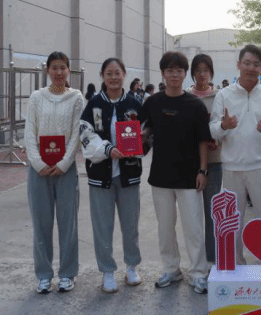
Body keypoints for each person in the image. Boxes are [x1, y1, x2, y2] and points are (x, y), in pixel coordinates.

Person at [140, 51, 210, 293]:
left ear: (185, 74)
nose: (174, 74)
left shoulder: (195, 105)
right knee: (165, 228)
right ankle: (171, 269)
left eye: (179, 70)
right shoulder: (152, 103)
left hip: (190, 177)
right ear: (162, 73)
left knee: (194, 228)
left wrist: (202, 170)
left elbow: (203, 141)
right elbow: (144, 128)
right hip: (160, 176)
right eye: (170, 70)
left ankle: (198, 272)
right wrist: (141, 135)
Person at [210, 45, 261, 264]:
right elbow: (213, 130)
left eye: (256, 64)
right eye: (247, 63)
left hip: (260, 167)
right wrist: (223, 125)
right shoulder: (224, 95)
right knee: (232, 222)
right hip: (232, 169)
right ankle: (235, 265)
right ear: (238, 65)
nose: (251, 68)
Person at [79, 58, 144, 293]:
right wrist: (107, 149)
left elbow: (146, 133)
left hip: (129, 174)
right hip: (101, 176)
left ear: (124, 74)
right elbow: (86, 135)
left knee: (130, 225)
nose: (114, 77)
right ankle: (107, 271)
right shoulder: (94, 104)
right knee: (102, 227)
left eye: (117, 73)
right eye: (109, 73)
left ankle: (131, 267)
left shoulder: (134, 103)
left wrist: (139, 146)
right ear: (102, 76)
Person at [24, 51, 84, 294]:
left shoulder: (76, 98)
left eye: (63, 68)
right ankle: (44, 275)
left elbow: (76, 133)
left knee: (68, 224)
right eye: (54, 67)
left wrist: (65, 163)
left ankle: (67, 274)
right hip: (38, 171)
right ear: (47, 70)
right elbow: (30, 131)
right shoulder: (37, 97)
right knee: (41, 224)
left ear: (69, 70)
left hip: (65, 170)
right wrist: (38, 163)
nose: (59, 72)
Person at [187, 53, 223, 263]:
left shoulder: (220, 97)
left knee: (212, 211)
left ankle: (212, 258)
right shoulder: (186, 96)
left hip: (215, 161)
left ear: (211, 73)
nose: (202, 74)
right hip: (190, 162)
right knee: (192, 214)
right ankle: (196, 260)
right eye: (198, 70)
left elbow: (225, 125)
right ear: (192, 73)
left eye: (206, 70)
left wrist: (217, 138)